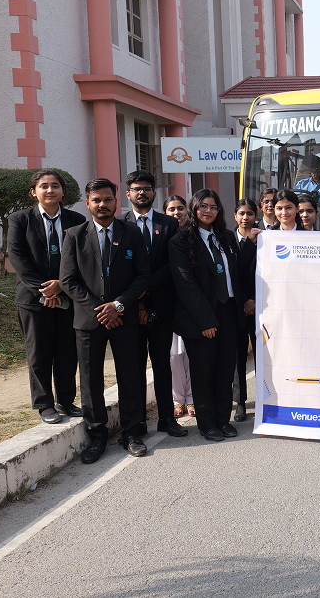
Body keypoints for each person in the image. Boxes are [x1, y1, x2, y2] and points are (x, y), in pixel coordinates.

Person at [60, 178, 150, 462]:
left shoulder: (132, 233)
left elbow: (143, 277)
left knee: (130, 376)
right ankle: (97, 436)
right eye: (96, 200)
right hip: (88, 321)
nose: (102, 205)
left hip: (125, 319)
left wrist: (119, 306)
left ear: (116, 201)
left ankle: (132, 432)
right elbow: (68, 280)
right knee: (90, 380)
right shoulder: (74, 235)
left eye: (107, 199)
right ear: (87, 204)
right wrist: (101, 309)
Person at [169, 190, 249, 442]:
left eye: (214, 207)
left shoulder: (226, 237)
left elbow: (236, 275)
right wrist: (205, 321)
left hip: (230, 312)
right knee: (204, 372)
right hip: (201, 317)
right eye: (203, 206)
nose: (208, 211)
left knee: (226, 370)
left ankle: (222, 420)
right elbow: (186, 285)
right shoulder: (180, 241)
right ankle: (207, 423)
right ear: (193, 208)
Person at [7, 169, 86, 424]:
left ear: (63, 191)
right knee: (38, 352)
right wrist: (44, 289)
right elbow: (18, 258)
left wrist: (62, 285)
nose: (50, 190)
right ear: (34, 191)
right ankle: (44, 404)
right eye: (44, 186)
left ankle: (65, 400)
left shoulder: (76, 220)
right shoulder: (20, 219)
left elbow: (82, 258)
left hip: (68, 296)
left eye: (55, 186)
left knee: (66, 350)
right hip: (33, 299)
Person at [121, 170, 186, 438]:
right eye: (137, 189)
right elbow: (120, 269)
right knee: (133, 369)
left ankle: (167, 419)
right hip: (130, 310)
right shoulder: (119, 224)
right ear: (128, 194)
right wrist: (136, 300)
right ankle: (136, 424)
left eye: (147, 188)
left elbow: (173, 265)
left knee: (162, 365)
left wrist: (145, 288)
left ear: (154, 192)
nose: (142, 193)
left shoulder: (169, 225)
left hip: (161, 307)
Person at [164, 196, 193, 418]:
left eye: (180, 208)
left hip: (192, 303)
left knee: (191, 354)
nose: (176, 212)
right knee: (174, 354)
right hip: (170, 303)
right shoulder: (162, 236)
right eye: (171, 209)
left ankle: (192, 397)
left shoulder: (193, 235)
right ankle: (178, 399)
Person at [232, 199, 260, 422]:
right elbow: (230, 276)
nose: (245, 217)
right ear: (235, 216)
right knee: (238, 357)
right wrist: (244, 301)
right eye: (241, 213)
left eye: (250, 213)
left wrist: (254, 300)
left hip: (260, 306)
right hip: (237, 308)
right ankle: (240, 403)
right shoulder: (226, 241)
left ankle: (264, 399)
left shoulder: (264, 240)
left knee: (262, 356)